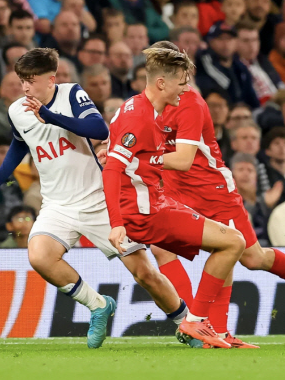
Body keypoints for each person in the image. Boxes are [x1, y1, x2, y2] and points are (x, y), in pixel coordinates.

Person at [0, 48, 190, 349]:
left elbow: (98, 128)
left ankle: (187, 324)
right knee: (39, 256)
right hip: (57, 205)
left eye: (31, 80)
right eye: (21, 80)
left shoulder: (72, 95)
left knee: (145, 274)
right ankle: (98, 304)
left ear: (51, 79)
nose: (25, 87)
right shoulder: (16, 110)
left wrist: (48, 116)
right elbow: (19, 143)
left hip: (98, 200)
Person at [148, 42, 285, 347]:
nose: (182, 81)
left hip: (212, 192)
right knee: (162, 249)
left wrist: (139, 157)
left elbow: (184, 159)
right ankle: (201, 327)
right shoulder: (148, 104)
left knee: (251, 258)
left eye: (183, 74)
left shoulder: (190, 104)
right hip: (175, 191)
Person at [102, 45, 245, 349]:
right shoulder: (140, 117)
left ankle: (202, 326)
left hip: (153, 203)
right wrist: (117, 224)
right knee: (234, 242)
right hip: (147, 212)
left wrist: (126, 155)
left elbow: (122, 154)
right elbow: (112, 169)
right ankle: (195, 322)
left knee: (220, 243)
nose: (186, 88)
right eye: (181, 82)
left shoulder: (133, 106)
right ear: (161, 83)